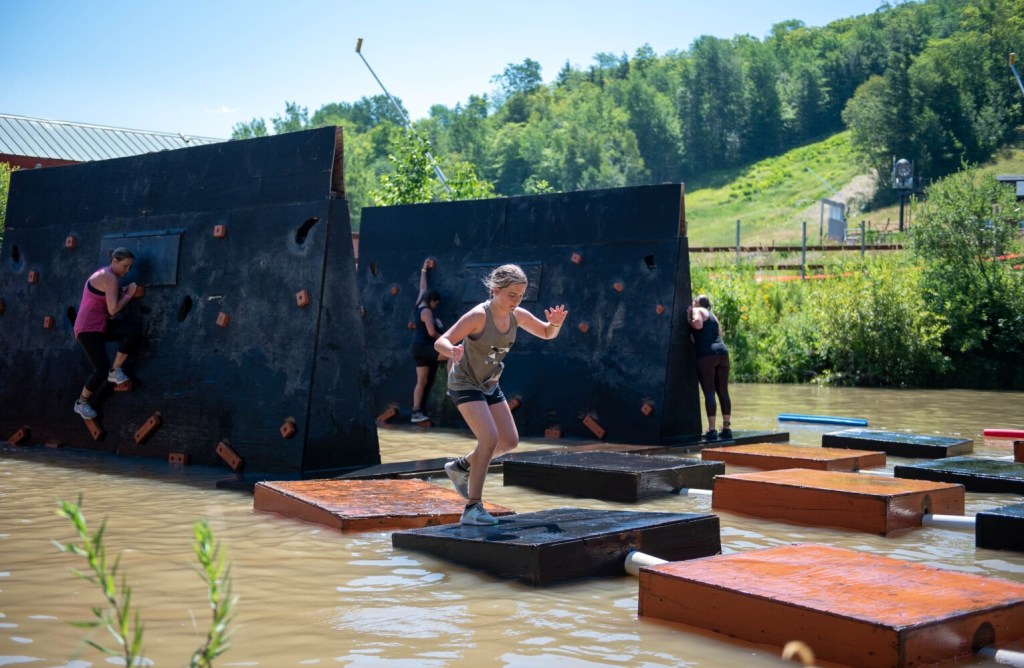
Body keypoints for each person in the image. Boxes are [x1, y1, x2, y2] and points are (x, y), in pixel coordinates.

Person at [435, 264, 568, 525]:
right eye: (512, 295)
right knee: (489, 438)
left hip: (490, 384)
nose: (516, 301)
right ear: (495, 290)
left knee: (508, 442)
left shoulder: (517, 315)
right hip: (465, 383)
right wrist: (452, 351)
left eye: (521, 295)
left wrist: (555, 324)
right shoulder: (477, 316)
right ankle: (472, 508)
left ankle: (461, 467)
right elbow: (441, 340)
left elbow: (546, 333)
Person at [72, 247, 142, 420]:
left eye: (130, 267)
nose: (127, 271)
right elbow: (113, 310)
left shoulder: (106, 276)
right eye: (125, 266)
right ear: (115, 261)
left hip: (99, 326)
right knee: (100, 370)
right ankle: (81, 403)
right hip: (88, 330)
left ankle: (115, 370)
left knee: (131, 329)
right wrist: (129, 295)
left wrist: (122, 293)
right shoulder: (109, 277)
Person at [409, 258, 449, 423]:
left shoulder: (419, 304)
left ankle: (416, 412)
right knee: (453, 355)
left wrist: (424, 270)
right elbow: (432, 332)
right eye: (436, 303)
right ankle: (452, 386)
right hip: (426, 347)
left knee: (422, 381)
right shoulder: (427, 312)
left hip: (417, 349)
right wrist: (446, 341)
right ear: (432, 300)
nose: (436, 306)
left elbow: (423, 288)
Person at [689, 294, 732, 440]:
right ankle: (726, 428)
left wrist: (689, 318)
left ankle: (712, 430)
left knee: (709, 393)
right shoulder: (714, 316)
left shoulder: (697, 310)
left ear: (697, 303)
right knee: (723, 392)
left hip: (707, 355)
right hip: (723, 353)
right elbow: (720, 334)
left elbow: (698, 324)